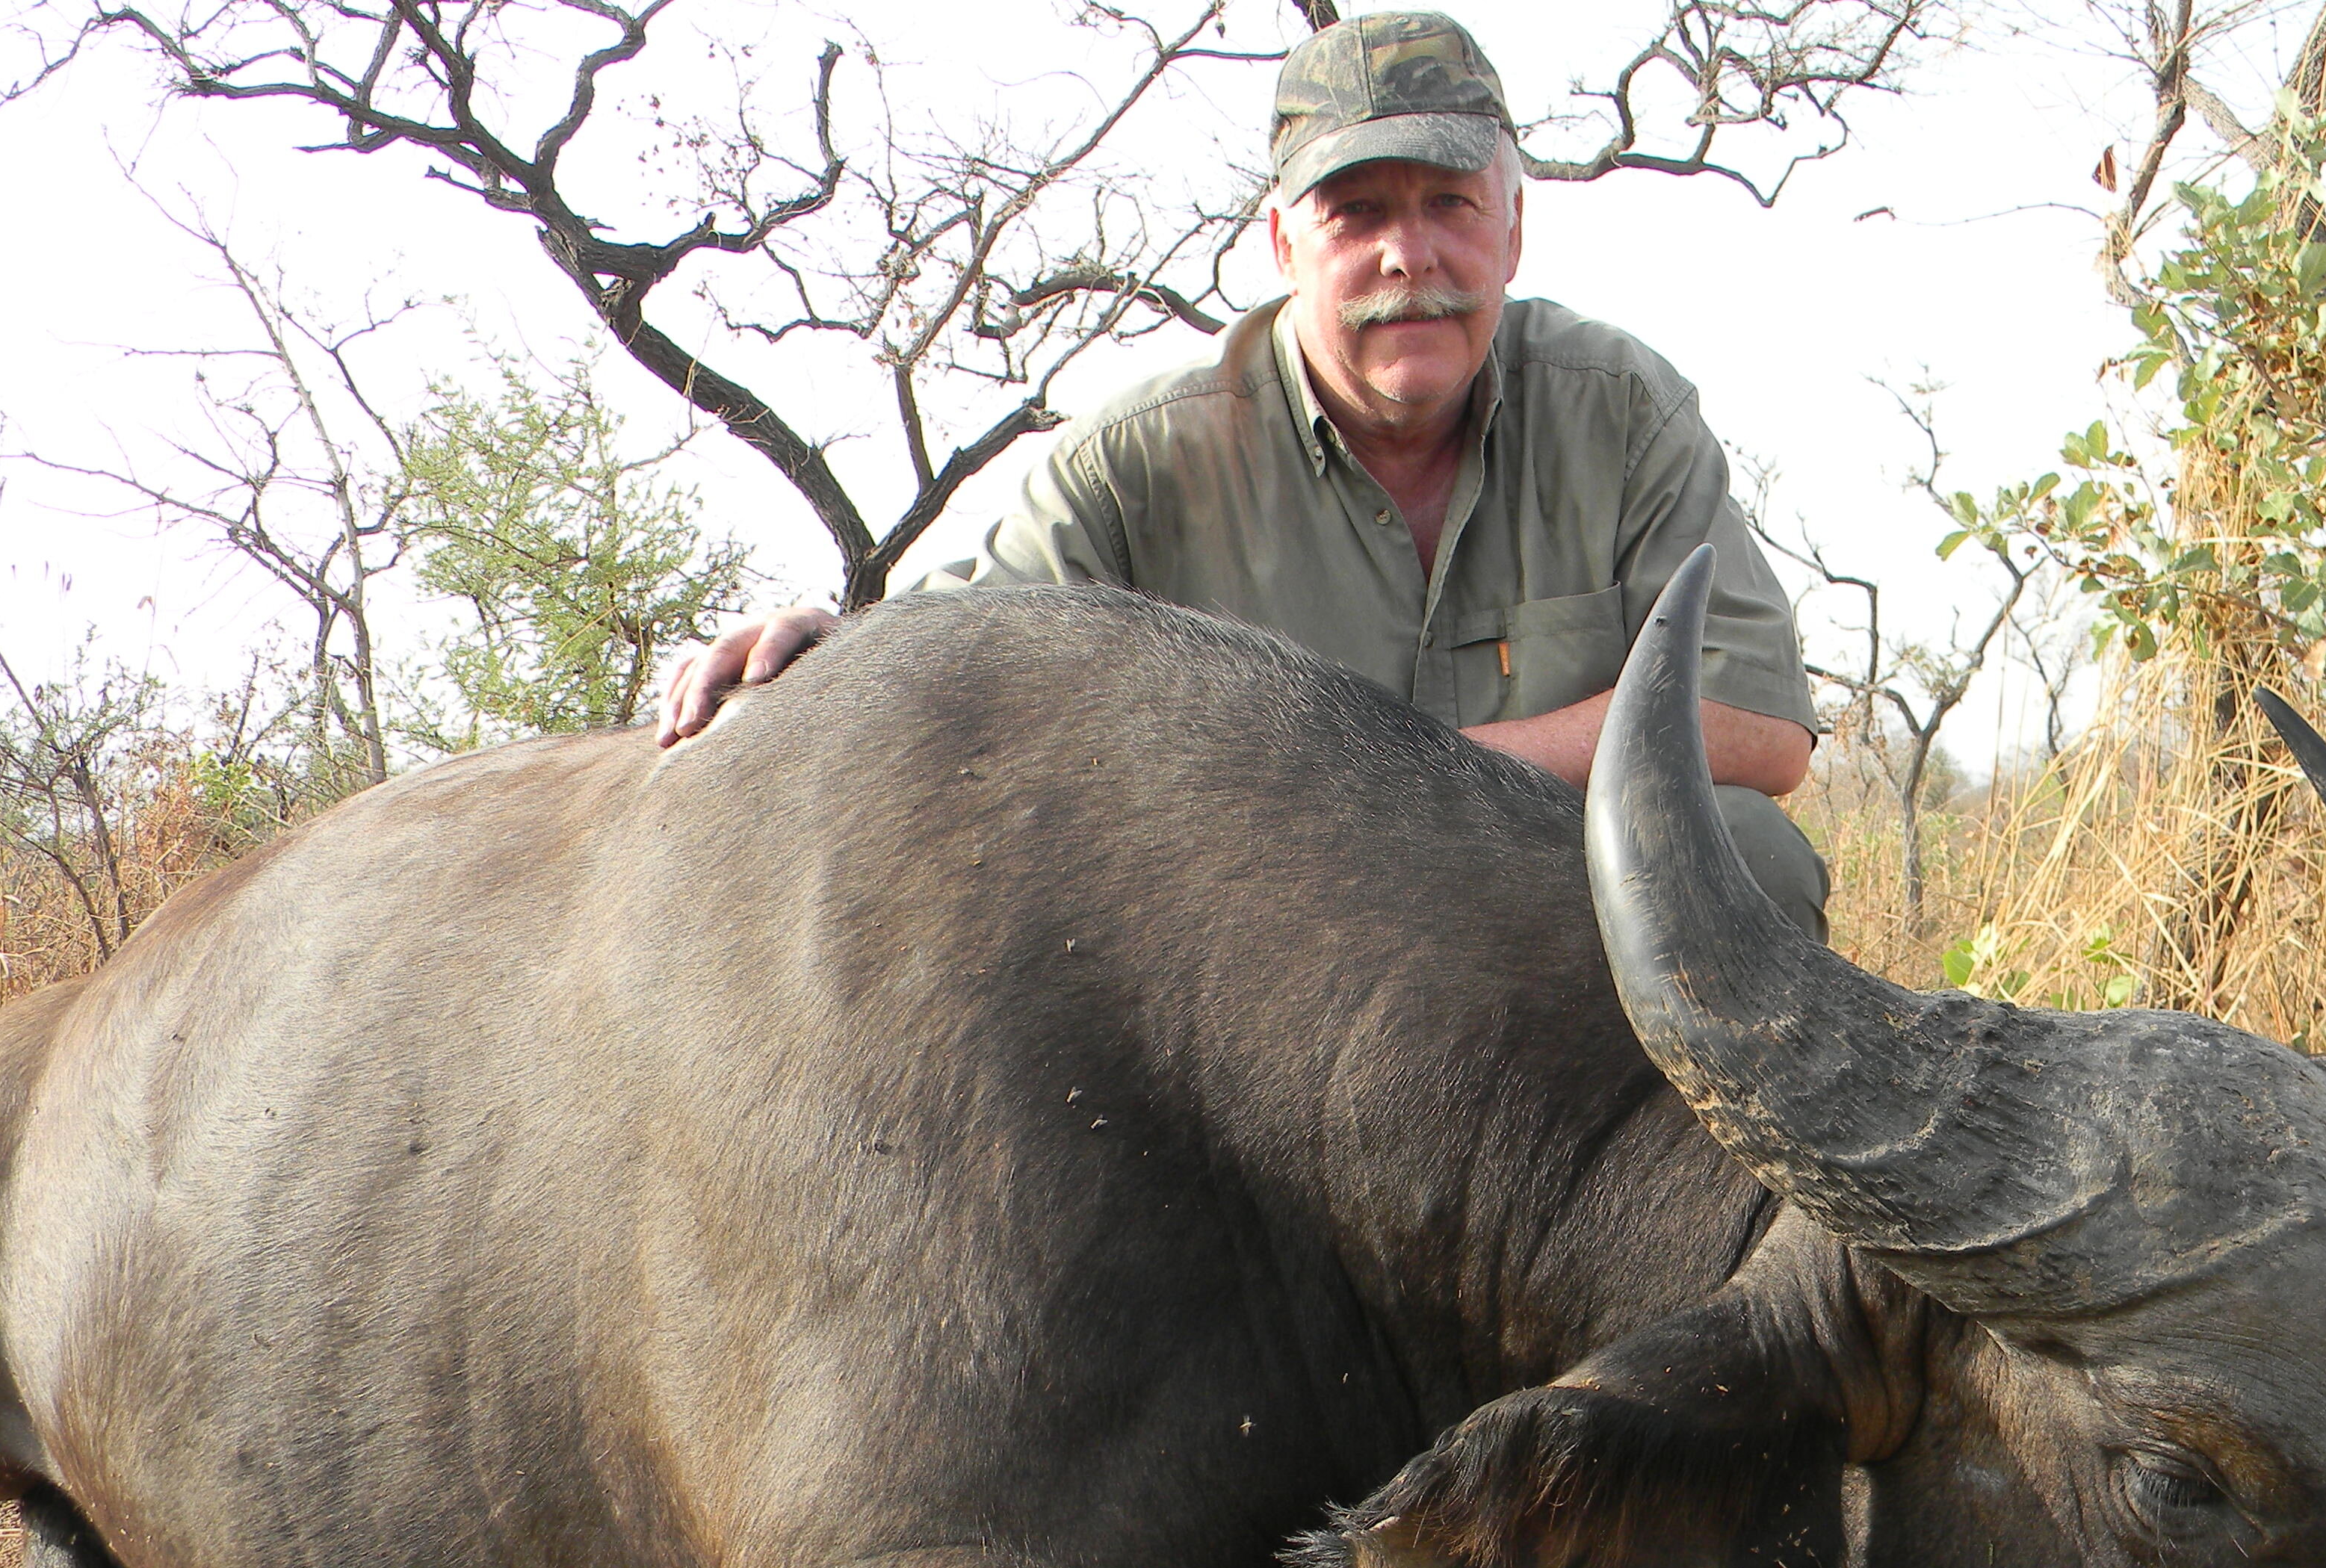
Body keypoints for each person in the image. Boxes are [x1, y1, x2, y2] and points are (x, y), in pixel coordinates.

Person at [658, 10, 1831, 936]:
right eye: (1355, 212)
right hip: (1266, 973)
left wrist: (1413, 785)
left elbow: (1758, 725)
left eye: (1449, 206)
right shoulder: (1141, 458)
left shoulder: (1620, 411)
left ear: (1513, 228)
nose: (1407, 256)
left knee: (1753, 859)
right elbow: (963, 653)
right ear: (1284, 246)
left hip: (1536, 930)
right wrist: (823, 645)